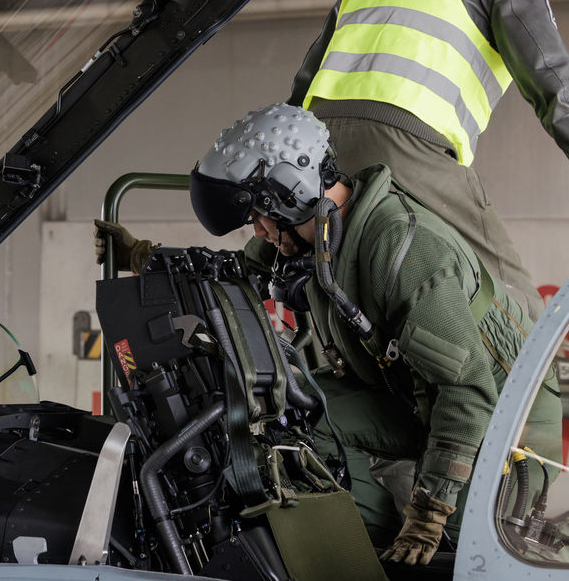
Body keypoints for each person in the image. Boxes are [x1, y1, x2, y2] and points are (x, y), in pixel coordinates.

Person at [178, 103, 561, 566]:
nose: (258, 229)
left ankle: (393, 540)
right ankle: (370, 550)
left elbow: (468, 392)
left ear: (290, 193)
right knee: (289, 420)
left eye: (261, 214)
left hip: (502, 421)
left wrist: (429, 510)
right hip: (413, 397)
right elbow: (236, 270)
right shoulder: (316, 228)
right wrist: (146, 259)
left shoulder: (401, 248)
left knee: (465, 557)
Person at [290, 0, 569, 320]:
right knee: (511, 295)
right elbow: (553, 80)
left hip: (320, 146)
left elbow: (307, 76)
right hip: (408, 140)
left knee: (354, 279)